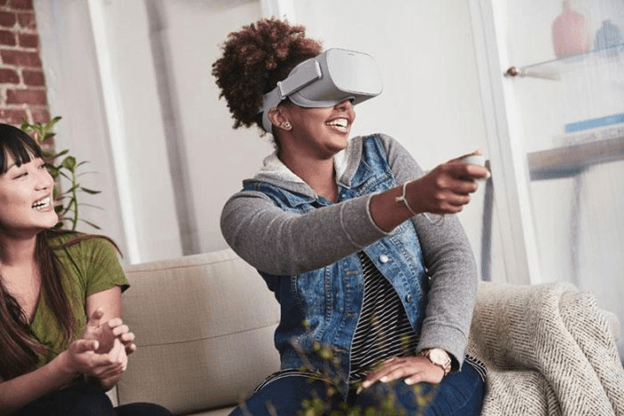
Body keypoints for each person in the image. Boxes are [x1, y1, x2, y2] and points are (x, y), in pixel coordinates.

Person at [213, 18, 490, 415]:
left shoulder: (385, 156)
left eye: (348, 97)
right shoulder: (247, 209)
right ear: (280, 115)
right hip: (316, 378)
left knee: (386, 407)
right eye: (326, 95)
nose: (346, 108)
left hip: (420, 361)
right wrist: (407, 199)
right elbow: (294, 243)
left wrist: (436, 354)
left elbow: (453, 256)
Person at [0, 123, 172, 416]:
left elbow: (99, 383)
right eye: (22, 174)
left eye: (41, 167)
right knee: (85, 407)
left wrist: (105, 359)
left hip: (84, 407)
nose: (44, 182)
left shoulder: (89, 254)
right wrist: (65, 365)